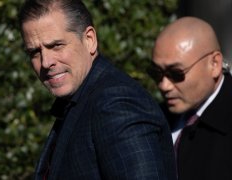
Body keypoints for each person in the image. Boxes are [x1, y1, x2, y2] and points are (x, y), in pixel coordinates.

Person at [19, 0, 176, 179]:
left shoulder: (117, 104)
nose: (46, 62)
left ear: (89, 40)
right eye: (34, 53)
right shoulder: (80, 100)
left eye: (56, 45)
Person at [147, 16, 232, 180]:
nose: (164, 85)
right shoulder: (154, 117)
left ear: (214, 64)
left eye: (176, 74)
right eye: (156, 73)